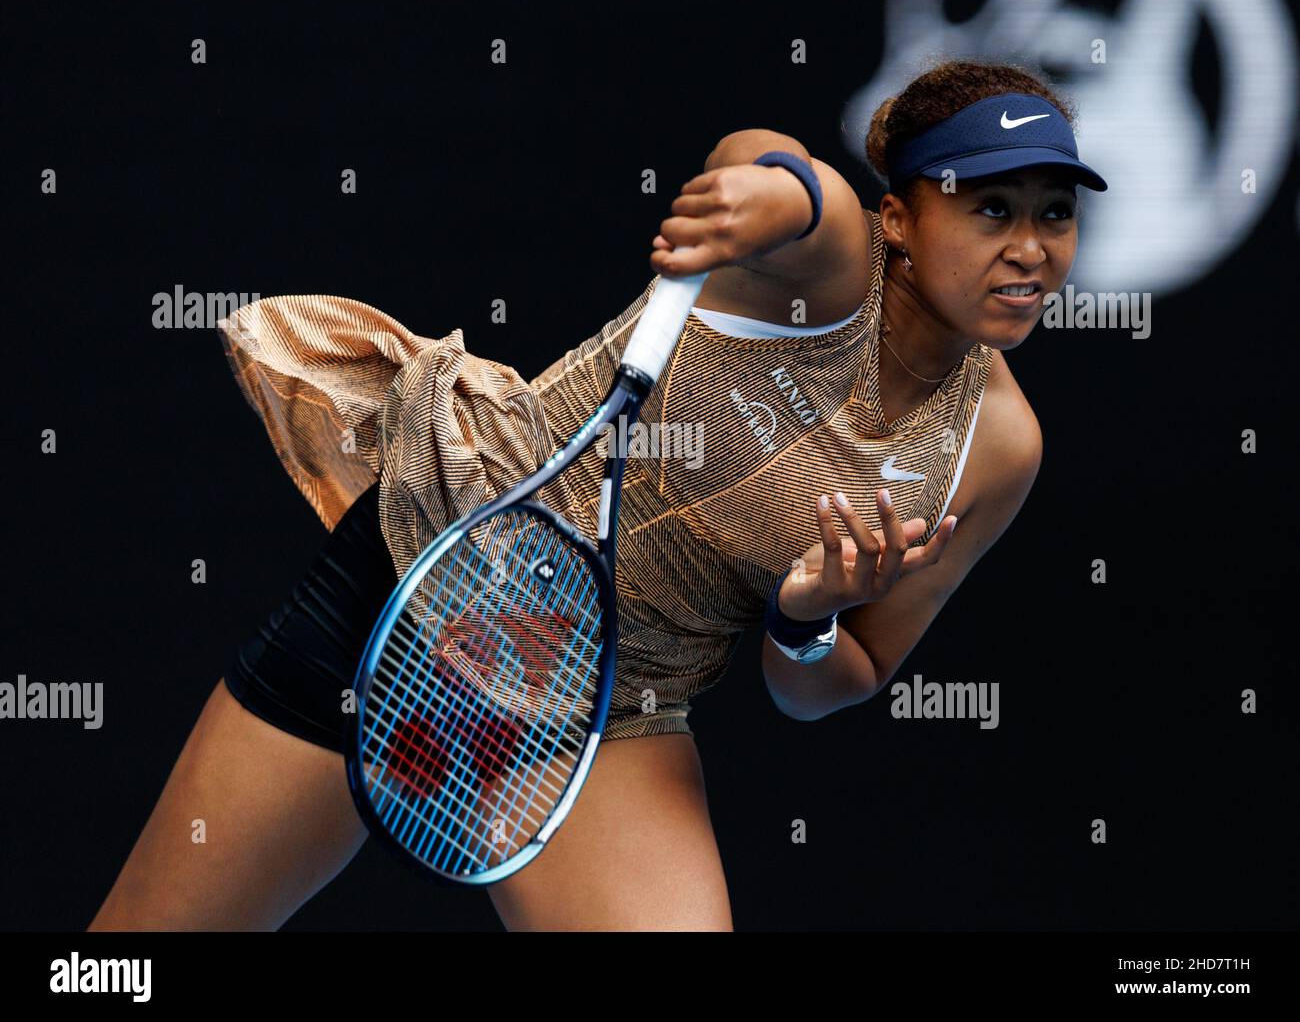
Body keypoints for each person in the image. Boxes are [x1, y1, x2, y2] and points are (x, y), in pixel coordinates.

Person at [88, 58, 1105, 931]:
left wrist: (807, 618)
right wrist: (767, 189)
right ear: (897, 217)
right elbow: (775, 170)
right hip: (425, 584)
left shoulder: (998, 448)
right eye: (990, 208)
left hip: (612, 702)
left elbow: (837, 678)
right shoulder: (828, 266)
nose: (1030, 248)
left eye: (1054, 213)